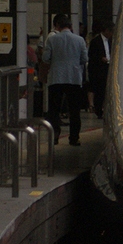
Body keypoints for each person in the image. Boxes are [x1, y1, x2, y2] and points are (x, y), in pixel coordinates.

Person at [43, 14, 88, 146]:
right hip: (74, 78)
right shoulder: (80, 40)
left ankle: (55, 135)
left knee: (54, 110)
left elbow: (46, 58)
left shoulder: (52, 39)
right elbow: (84, 59)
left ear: (58, 26)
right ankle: (74, 138)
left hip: (56, 78)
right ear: (71, 26)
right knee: (74, 110)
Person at [87, 22, 114, 119]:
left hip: (108, 67)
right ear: (106, 31)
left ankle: (105, 108)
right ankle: (98, 109)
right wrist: (101, 58)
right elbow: (91, 55)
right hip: (98, 69)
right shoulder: (95, 41)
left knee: (106, 89)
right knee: (99, 89)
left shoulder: (111, 41)